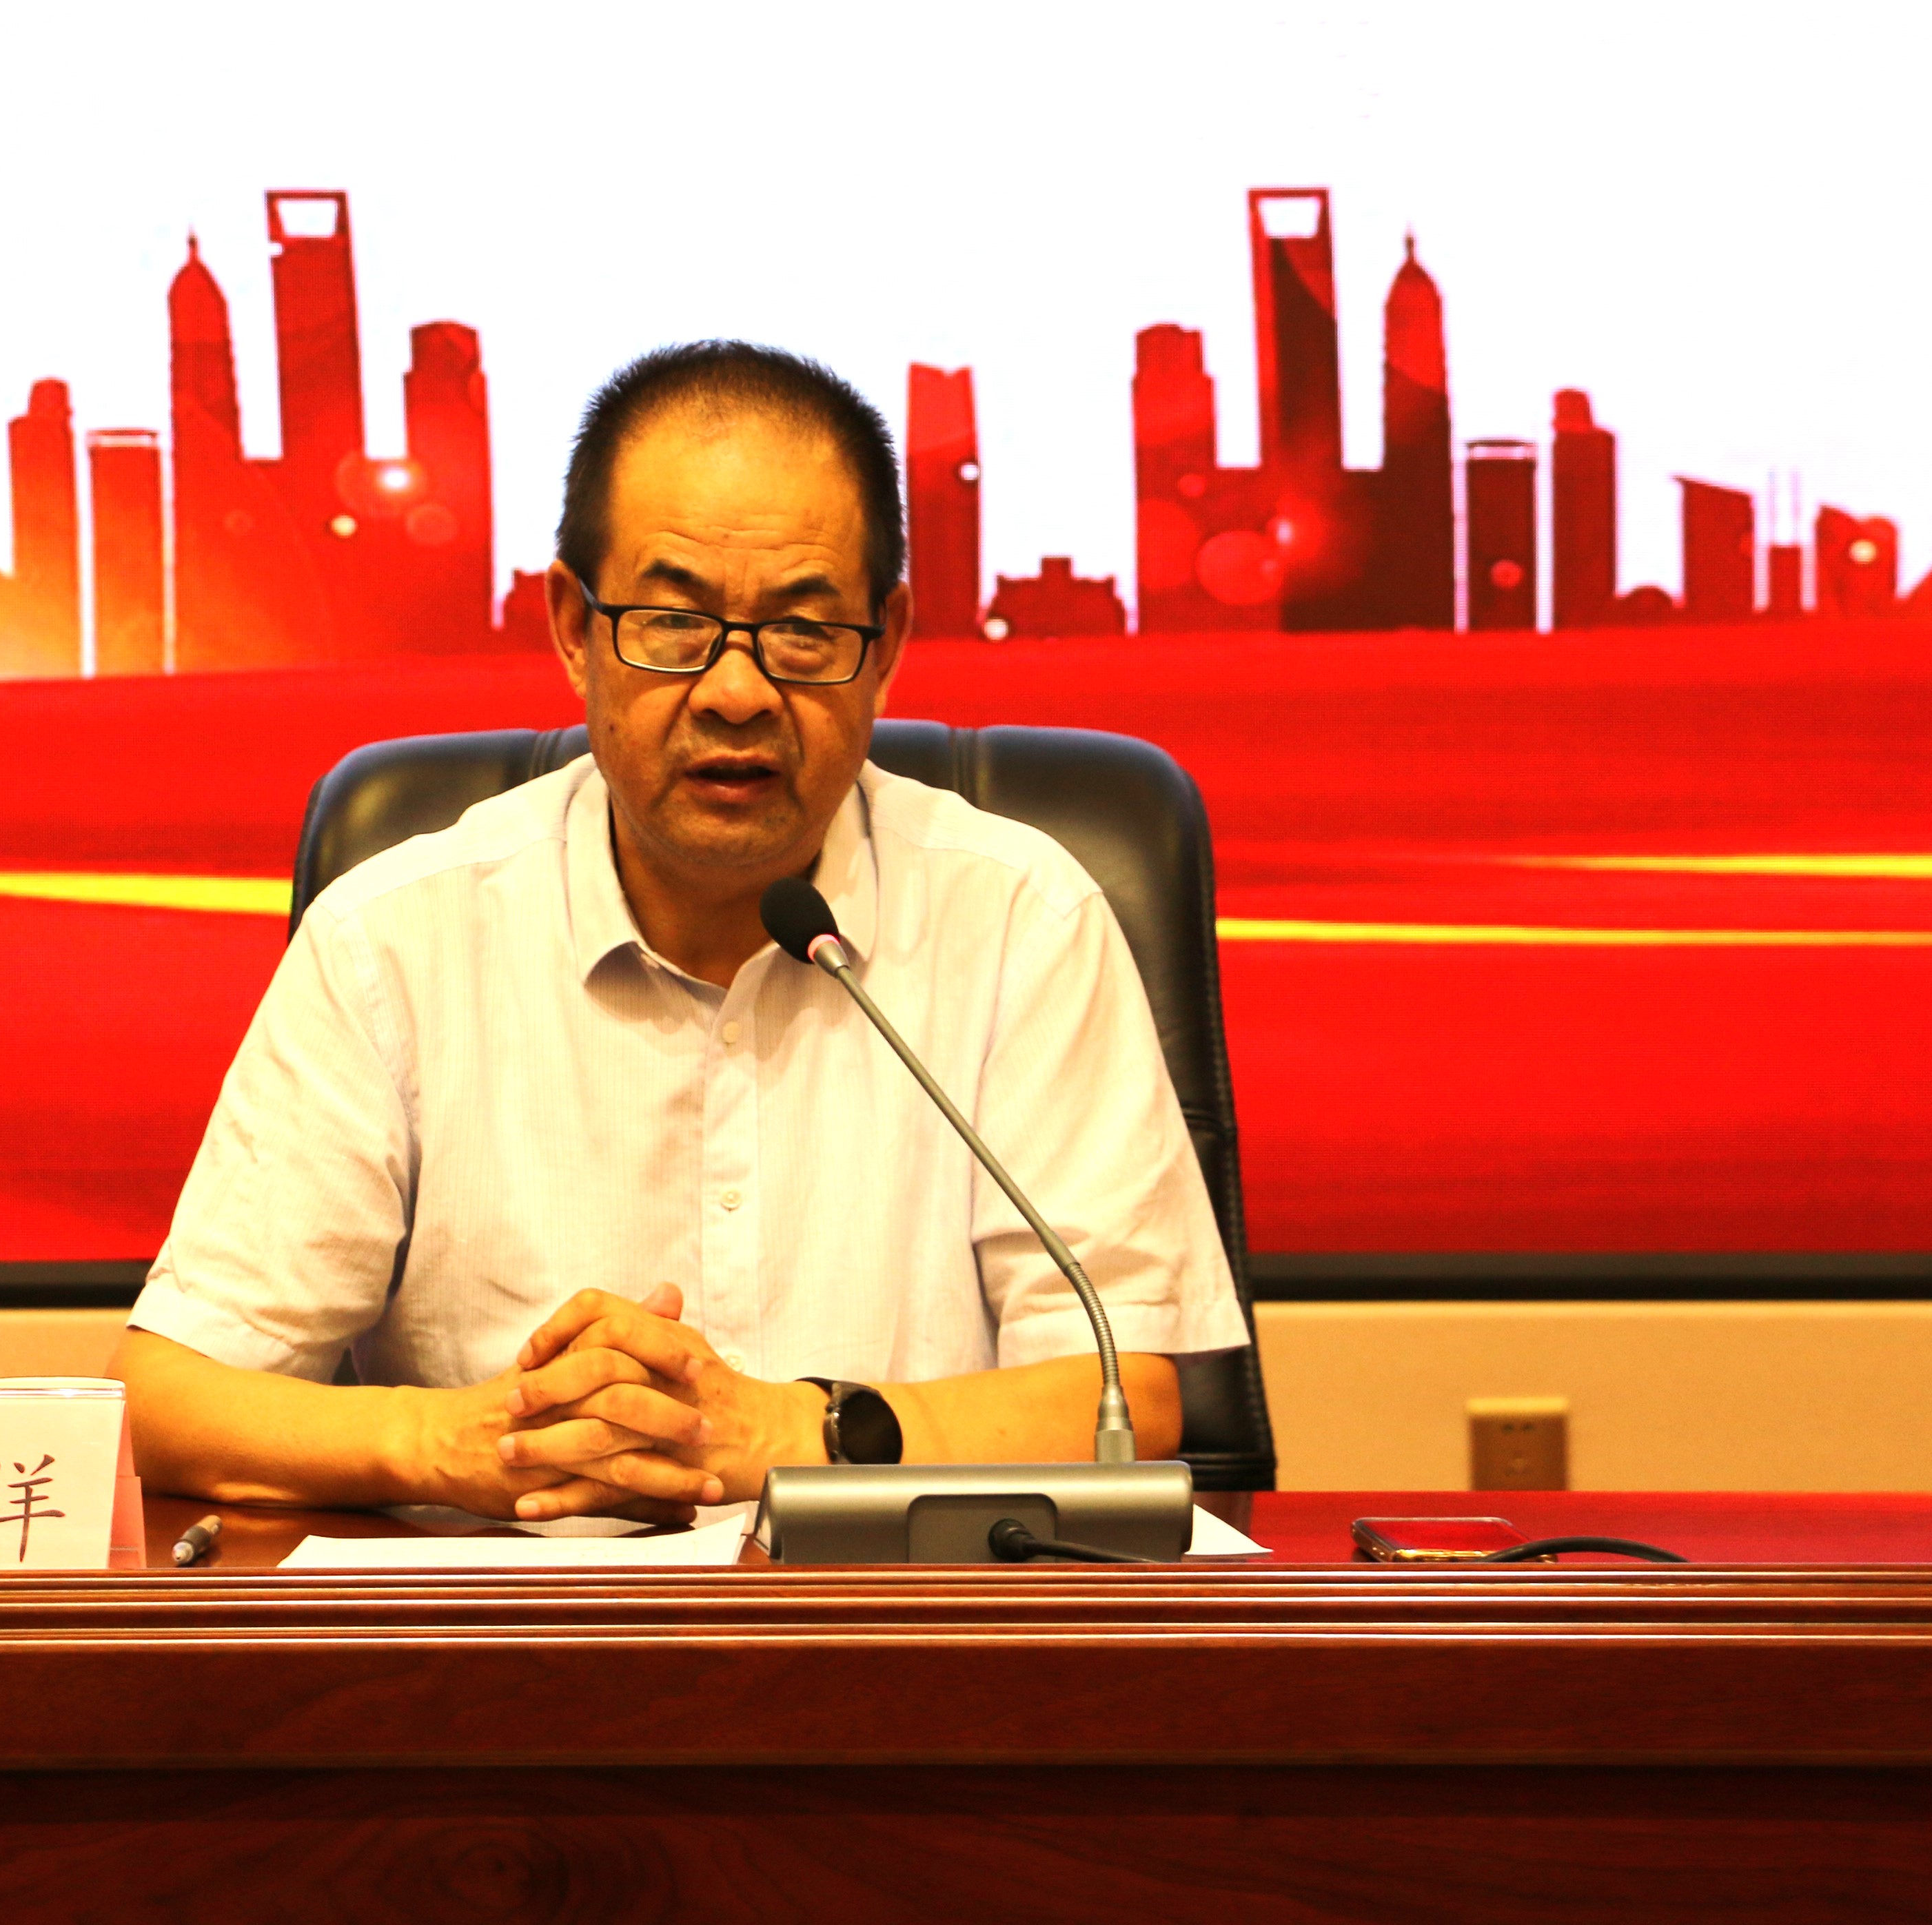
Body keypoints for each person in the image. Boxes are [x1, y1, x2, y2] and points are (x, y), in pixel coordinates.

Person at [108, 340, 1248, 1521]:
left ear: (888, 644)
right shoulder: (393, 941)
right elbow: (168, 1399)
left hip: (896, 1627)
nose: (736, 692)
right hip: (513, 1626)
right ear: (573, 626)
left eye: (804, 630)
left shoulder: (1020, 920)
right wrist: (460, 1443)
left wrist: (788, 1432)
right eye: (671, 623)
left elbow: (1124, 1393)